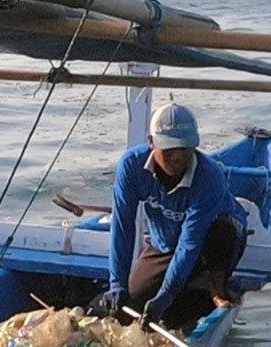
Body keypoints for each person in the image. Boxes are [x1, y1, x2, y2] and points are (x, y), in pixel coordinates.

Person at [98, 102, 248, 329]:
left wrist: (166, 295)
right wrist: (117, 283)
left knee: (222, 234)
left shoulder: (209, 177)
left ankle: (216, 285)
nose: (177, 157)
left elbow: (190, 242)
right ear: (151, 142)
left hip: (210, 236)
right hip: (165, 242)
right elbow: (123, 226)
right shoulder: (131, 166)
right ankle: (185, 285)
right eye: (169, 149)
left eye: (185, 148)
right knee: (136, 297)